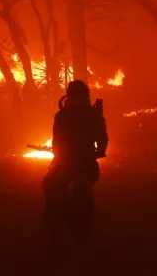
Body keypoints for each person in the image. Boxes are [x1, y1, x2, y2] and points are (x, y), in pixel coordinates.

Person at [42, 80, 108, 238]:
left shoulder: (61, 116)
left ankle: (52, 227)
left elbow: (56, 141)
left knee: (49, 184)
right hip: (87, 164)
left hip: (65, 164)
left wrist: (58, 156)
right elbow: (103, 139)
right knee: (82, 190)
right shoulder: (94, 115)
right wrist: (99, 152)